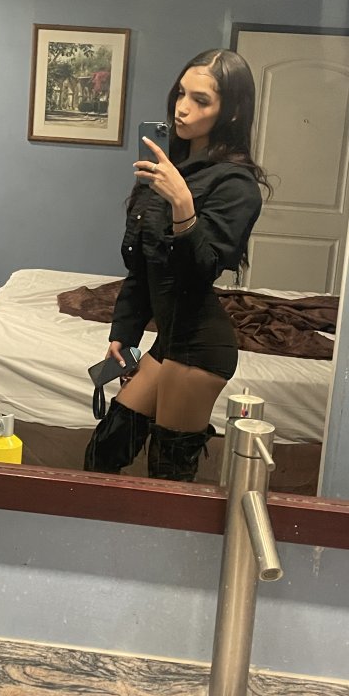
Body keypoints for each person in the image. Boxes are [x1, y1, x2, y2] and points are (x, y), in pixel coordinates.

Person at [84, 48, 271, 482]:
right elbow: (143, 266)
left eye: (200, 100)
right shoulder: (170, 168)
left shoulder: (236, 184)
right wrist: (124, 334)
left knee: (168, 475)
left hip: (200, 349)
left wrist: (184, 206)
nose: (182, 108)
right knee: (104, 452)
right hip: (168, 343)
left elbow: (202, 269)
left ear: (232, 111)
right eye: (180, 94)